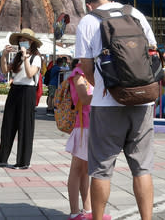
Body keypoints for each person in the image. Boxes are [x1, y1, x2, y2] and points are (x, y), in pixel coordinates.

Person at [76, 0, 157, 220]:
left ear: (89, 5)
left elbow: (87, 66)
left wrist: (106, 86)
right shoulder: (136, 14)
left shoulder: (89, 21)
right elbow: (152, 53)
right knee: (142, 167)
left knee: (101, 169)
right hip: (143, 100)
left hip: (107, 103)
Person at [0, 28, 42, 169]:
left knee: (25, 126)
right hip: (15, 90)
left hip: (28, 91)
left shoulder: (36, 57)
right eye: (20, 40)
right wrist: (4, 56)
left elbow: (30, 73)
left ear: (31, 42)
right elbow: (6, 70)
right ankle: (1, 158)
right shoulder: (17, 56)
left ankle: (23, 161)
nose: (22, 42)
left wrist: (25, 58)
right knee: (8, 124)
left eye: (24, 40)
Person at [64, 58, 110, 220]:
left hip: (91, 125)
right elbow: (83, 99)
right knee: (77, 170)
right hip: (83, 127)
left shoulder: (90, 73)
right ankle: (75, 212)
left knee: (85, 171)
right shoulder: (78, 74)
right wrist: (104, 91)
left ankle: (87, 210)